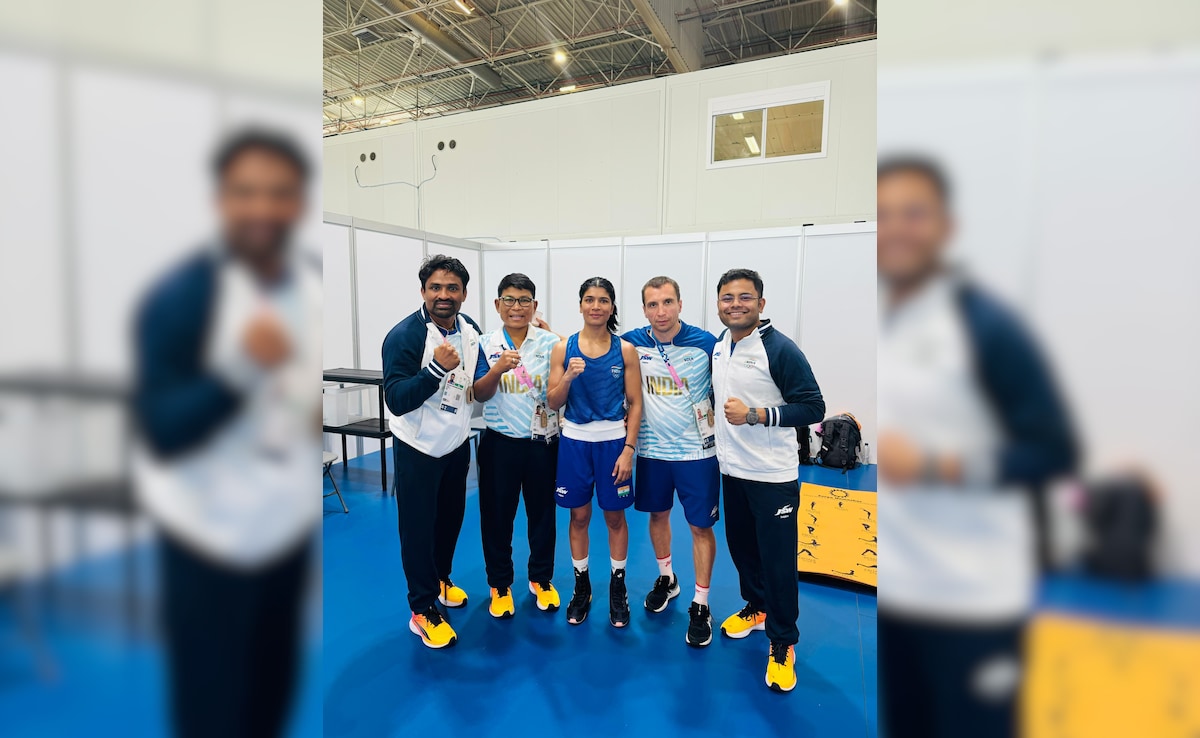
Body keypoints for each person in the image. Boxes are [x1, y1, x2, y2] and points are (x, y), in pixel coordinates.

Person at [876, 156, 1077, 738]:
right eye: (884, 214)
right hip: (899, 591)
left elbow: (1055, 448)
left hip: (972, 600)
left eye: (914, 213)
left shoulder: (986, 324)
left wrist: (937, 466)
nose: (896, 229)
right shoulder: (890, 323)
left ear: (946, 226)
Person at [132, 128, 322, 738]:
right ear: (220, 200)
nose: (263, 207)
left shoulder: (306, 285)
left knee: (270, 694)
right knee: (213, 709)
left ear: (298, 202)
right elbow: (161, 429)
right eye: (246, 191)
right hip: (207, 545)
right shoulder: (184, 296)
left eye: (279, 192)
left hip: (283, 535)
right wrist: (240, 369)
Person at [711, 268, 825, 694]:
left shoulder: (779, 349)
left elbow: (813, 407)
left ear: (760, 304)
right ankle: (756, 607)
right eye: (727, 298)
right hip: (732, 470)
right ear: (718, 304)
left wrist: (757, 415)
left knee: (778, 562)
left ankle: (782, 641)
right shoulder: (720, 345)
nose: (735, 305)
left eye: (745, 297)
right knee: (742, 549)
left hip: (772, 475)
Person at [382, 254, 490, 649]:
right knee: (418, 529)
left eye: (452, 288)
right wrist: (434, 370)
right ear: (423, 291)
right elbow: (396, 399)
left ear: (464, 293)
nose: (444, 295)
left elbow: (480, 377)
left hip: (456, 445)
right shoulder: (404, 336)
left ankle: (441, 579)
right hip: (418, 448)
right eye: (436, 288)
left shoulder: (470, 329)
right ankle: (422, 608)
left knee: (449, 520)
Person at [621, 276, 720, 647]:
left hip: (697, 454)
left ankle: (701, 602)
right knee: (657, 516)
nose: (660, 312)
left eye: (667, 302)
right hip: (651, 452)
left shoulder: (706, 343)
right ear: (644, 309)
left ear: (680, 304)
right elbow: (592, 345)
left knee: (700, 528)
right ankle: (667, 577)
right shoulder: (632, 343)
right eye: (652, 304)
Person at [547, 277, 643, 628]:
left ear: (612, 306)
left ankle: (618, 586)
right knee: (579, 517)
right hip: (574, 442)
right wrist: (568, 378)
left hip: (613, 443)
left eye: (603, 300)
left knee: (615, 518)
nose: (596, 306)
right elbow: (553, 401)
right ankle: (581, 586)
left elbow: (636, 403)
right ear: (580, 305)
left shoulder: (626, 350)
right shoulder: (563, 349)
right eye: (590, 299)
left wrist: (628, 449)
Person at [472, 273, 563, 618]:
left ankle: (541, 578)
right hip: (499, 444)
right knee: (497, 517)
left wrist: (556, 334)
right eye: (509, 300)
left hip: (543, 444)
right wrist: (497, 369)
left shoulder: (550, 342)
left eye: (524, 300)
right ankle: (499, 583)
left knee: (543, 514)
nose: (517, 307)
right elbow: (480, 394)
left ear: (534, 305)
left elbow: (583, 349)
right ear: (498, 304)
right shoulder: (484, 343)